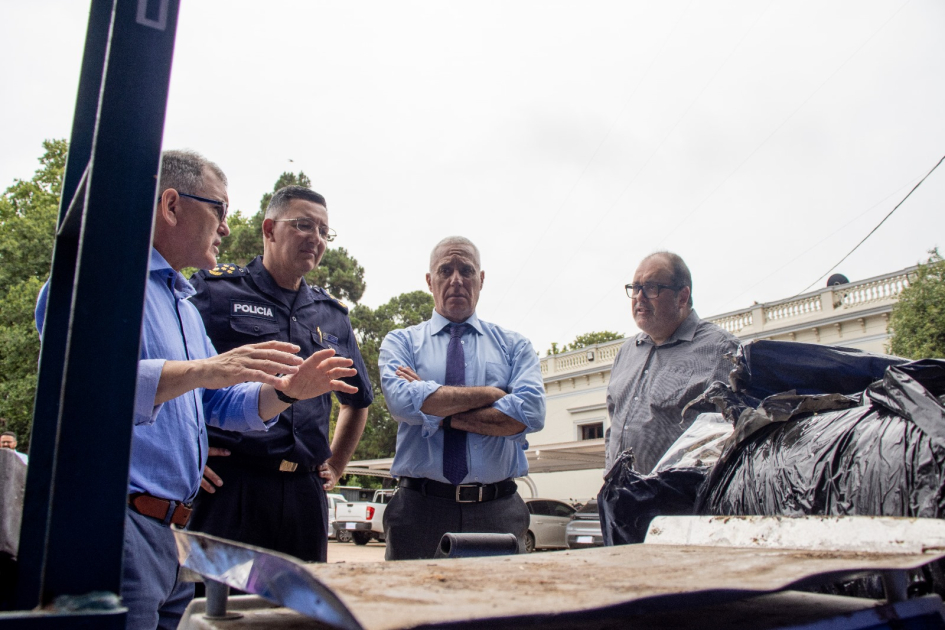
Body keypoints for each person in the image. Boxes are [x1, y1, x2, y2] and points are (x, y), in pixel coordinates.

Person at [35, 150, 360, 630]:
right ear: (171, 205)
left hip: (176, 536)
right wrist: (204, 370)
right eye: (219, 210)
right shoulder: (100, 282)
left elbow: (219, 402)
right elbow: (84, 389)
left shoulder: (183, 305)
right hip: (119, 526)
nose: (226, 228)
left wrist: (288, 391)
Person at [187, 185, 372, 562]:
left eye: (324, 231)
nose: (316, 239)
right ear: (269, 229)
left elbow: (358, 402)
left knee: (302, 613)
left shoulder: (332, 315)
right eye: (304, 225)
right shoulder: (215, 292)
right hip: (229, 487)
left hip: (305, 493)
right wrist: (187, 453)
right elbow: (174, 372)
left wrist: (336, 465)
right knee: (222, 612)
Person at [379, 236, 545, 561]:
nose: (456, 279)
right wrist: (493, 395)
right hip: (418, 512)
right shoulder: (401, 343)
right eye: (445, 270)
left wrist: (434, 406)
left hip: (498, 512)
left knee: (498, 611)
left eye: (466, 270)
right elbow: (400, 401)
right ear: (430, 281)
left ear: (481, 279)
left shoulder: (515, 347)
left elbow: (530, 412)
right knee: (413, 610)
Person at [605, 251, 739, 476]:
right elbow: (615, 424)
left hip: (682, 503)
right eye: (636, 287)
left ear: (682, 297)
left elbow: (737, 435)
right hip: (620, 499)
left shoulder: (722, 351)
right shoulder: (626, 353)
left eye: (651, 288)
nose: (639, 297)